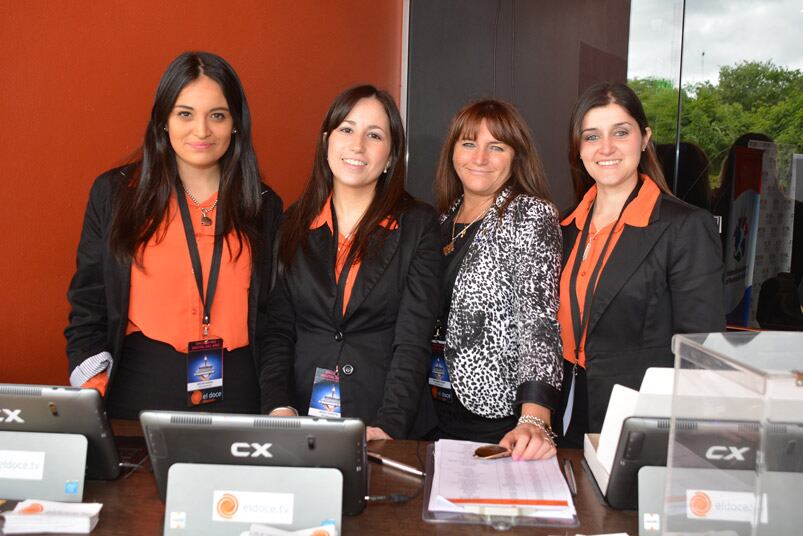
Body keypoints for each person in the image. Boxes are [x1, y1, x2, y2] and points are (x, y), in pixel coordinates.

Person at [65, 52, 283, 418]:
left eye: (217, 115)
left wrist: (278, 400)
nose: (201, 131)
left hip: (240, 389)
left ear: (235, 124)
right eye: (185, 114)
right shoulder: (116, 194)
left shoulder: (264, 206)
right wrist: (93, 385)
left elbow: (277, 316)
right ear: (163, 120)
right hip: (140, 384)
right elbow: (88, 300)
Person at [258, 85, 441, 441]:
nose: (357, 145)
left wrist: (390, 426)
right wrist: (279, 406)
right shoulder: (293, 223)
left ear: (390, 156)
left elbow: (413, 337)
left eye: (374, 135)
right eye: (347, 129)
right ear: (327, 141)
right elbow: (279, 329)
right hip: (303, 419)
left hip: (383, 420)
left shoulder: (418, 224)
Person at [557, 82, 725, 447]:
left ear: (644, 137)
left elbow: (701, 354)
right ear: (578, 149)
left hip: (639, 419)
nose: (606, 148)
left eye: (621, 132)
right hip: (564, 409)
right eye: (591, 136)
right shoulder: (564, 226)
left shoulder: (685, 227)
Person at [433, 100, 563, 461]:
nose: (480, 158)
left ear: (516, 156)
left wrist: (534, 418)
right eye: (469, 143)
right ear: (453, 152)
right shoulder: (441, 219)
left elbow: (539, 320)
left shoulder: (529, 215)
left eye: (497, 147)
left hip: (497, 418)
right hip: (431, 409)